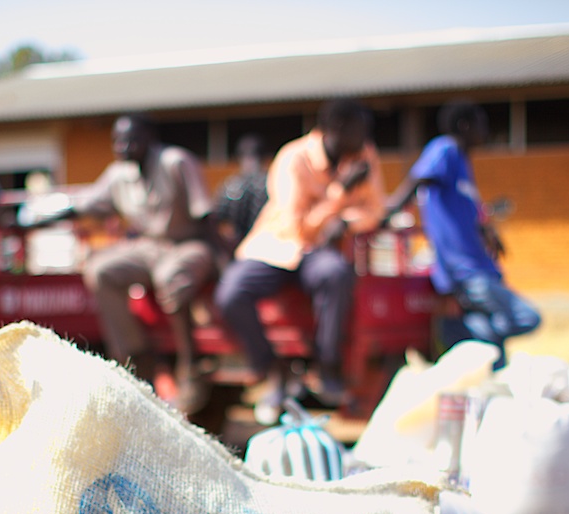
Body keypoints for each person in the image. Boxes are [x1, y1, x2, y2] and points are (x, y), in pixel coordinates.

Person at [19, 113, 224, 415]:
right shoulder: (119, 174)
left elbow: (205, 216)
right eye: (117, 140)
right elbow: (85, 205)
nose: (121, 146)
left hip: (188, 242)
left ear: (149, 139)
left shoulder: (175, 162)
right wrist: (40, 220)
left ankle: (190, 365)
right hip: (148, 245)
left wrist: (221, 261)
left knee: (170, 276)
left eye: (130, 139)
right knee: (100, 271)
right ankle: (136, 356)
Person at [214, 99, 385, 425]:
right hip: (277, 246)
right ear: (336, 129)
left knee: (336, 274)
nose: (367, 138)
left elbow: (374, 210)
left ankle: (327, 365)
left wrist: (347, 222)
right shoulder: (293, 158)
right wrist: (339, 193)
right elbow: (298, 225)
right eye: (361, 130)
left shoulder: (364, 155)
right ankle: (270, 368)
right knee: (230, 293)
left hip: (318, 252)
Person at [382, 100, 540, 368]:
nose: (485, 131)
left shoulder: (463, 166)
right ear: (464, 126)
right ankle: (456, 330)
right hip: (465, 271)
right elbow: (420, 178)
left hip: (480, 267)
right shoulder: (445, 149)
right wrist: (389, 211)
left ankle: (476, 344)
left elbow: (468, 212)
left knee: (494, 358)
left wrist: (487, 231)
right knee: (527, 317)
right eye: (480, 124)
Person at [214, 133, 268, 253]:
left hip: (242, 247)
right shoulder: (273, 182)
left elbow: (215, 219)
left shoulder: (229, 184)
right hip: (261, 246)